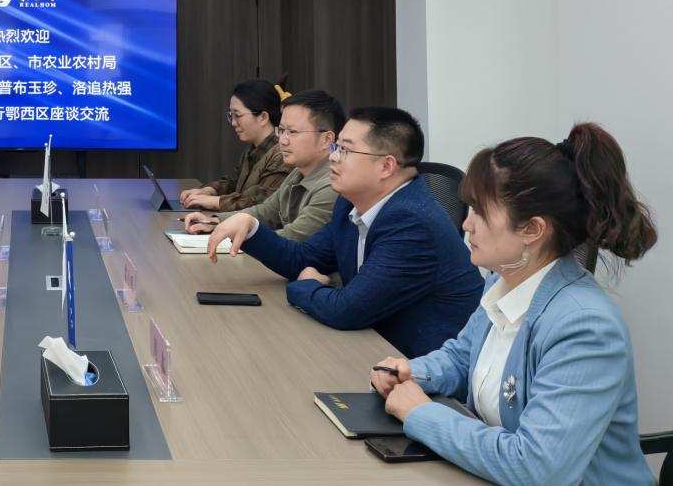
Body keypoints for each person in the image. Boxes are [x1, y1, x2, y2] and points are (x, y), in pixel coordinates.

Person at [372, 123, 658, 485]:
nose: (467, 224)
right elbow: (464, 357)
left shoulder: (586, 326)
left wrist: (421, 413)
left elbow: (538, 469)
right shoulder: (503, 279)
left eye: (480, 211)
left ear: (532, 230)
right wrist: (411, 372)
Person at [207, 107, 483, 358]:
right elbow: (304, 258)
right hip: (371, 345)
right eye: (336, 146)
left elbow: (347, 310)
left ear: (386, 166)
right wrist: (251, 228)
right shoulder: (351, 203)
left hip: (422, 369)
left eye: (345, 150)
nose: (333, 157)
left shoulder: (412, 224)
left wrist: (307, 285)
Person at [184, 89, 342, 243]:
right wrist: (216, 222)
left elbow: (293, 238)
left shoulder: (332, 185)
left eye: (292, 132)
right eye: (282, 130)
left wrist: (239, 235)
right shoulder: (298, 172)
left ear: (326, 139)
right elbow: (266, 212)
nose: (283, 140)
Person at [179, 78, 289, 212]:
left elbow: (262, 203)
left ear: (263, 117)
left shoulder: (282, 153)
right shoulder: (254, 148)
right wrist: (208, 191)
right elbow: (233, 183)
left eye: (238, 115)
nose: (233, 123)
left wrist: (215, 202)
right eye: (231, 115)